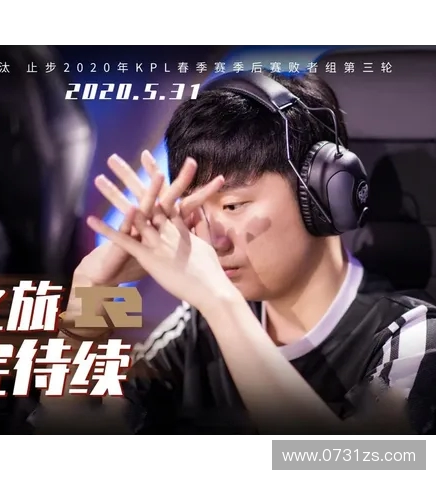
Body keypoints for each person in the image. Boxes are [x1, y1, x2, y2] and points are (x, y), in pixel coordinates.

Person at [58, 71, 436, 435]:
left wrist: (220, 303)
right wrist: (91, 298)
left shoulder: (412, 336)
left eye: (233, 206)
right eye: (195, 212)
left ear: (322, 196)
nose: (213, 240)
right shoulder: (196, 330)